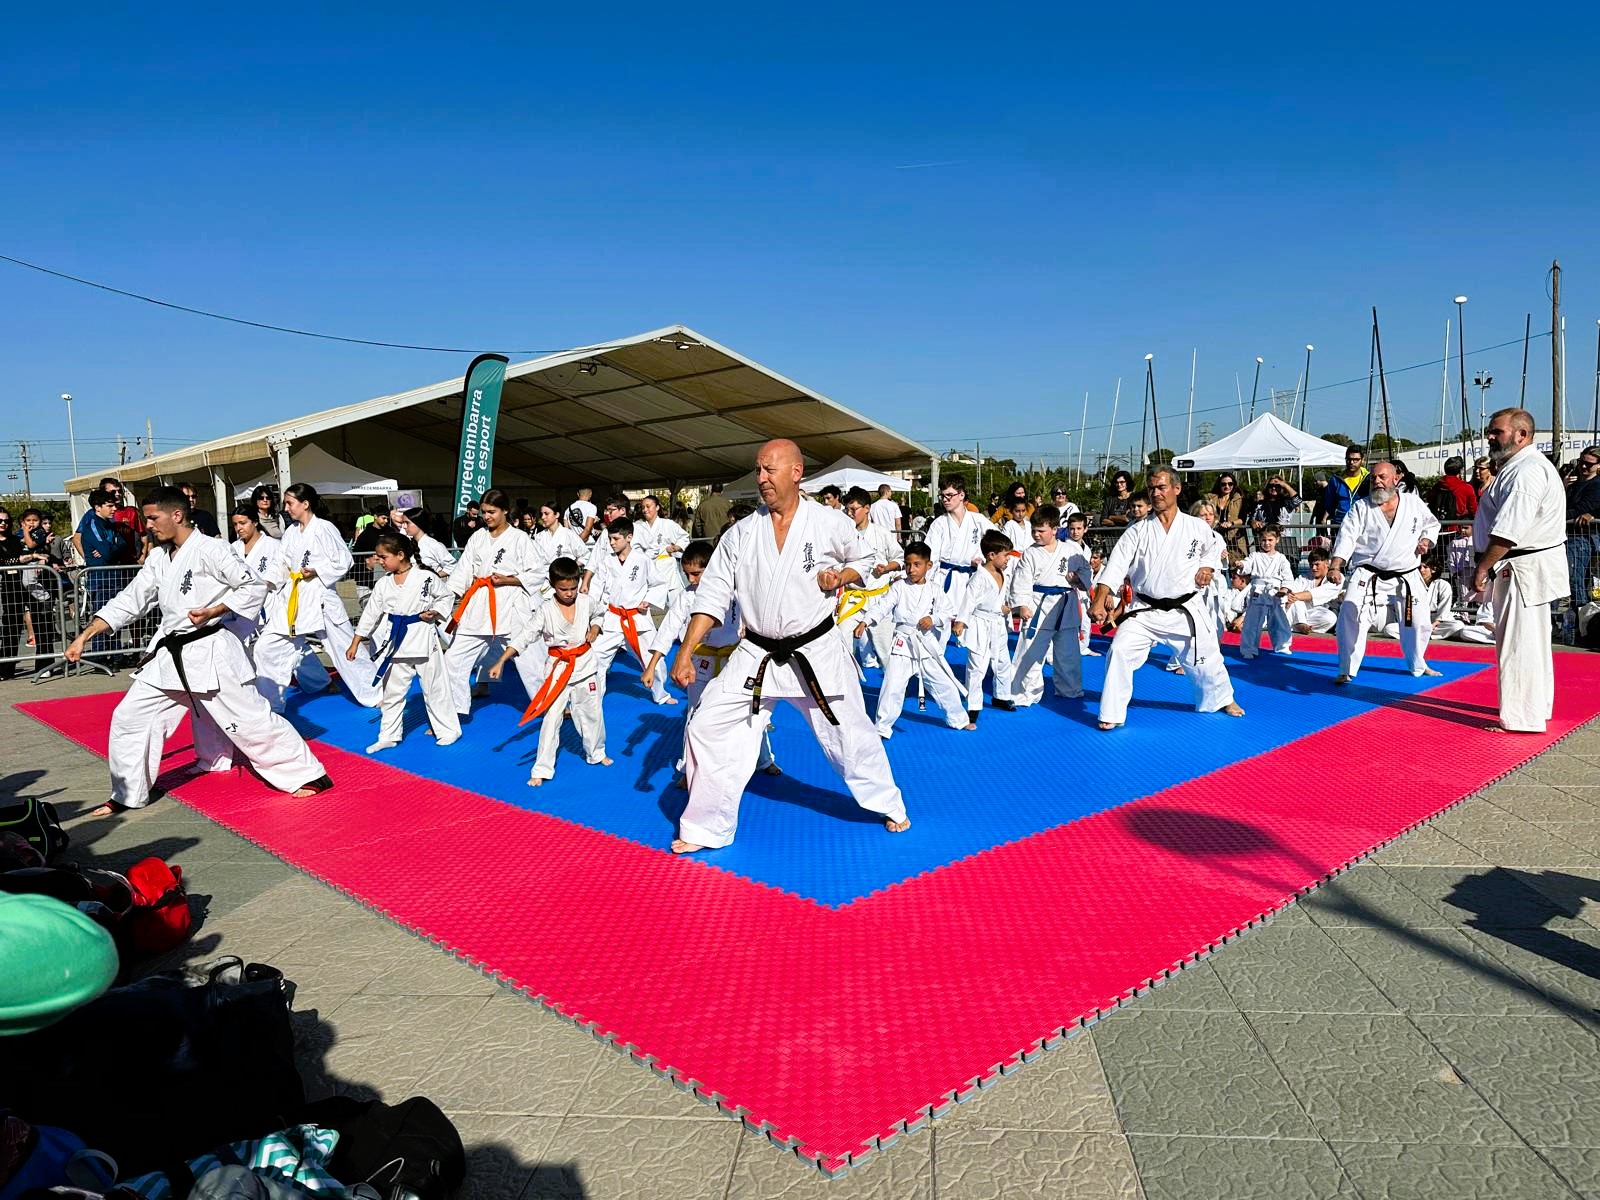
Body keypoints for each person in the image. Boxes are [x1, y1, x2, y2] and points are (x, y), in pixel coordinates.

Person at [669, 439, 911, 852]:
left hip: (814, 653)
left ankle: (888, 802)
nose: (761, 478)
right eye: (759, 470)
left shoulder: (828, 522)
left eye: (770, 470)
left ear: (796, 472)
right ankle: (707, 828)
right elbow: (711, 595)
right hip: (757, 653)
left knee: (849, 736)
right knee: (707, 726)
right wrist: (687, 650)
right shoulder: (741, 534)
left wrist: (842, 576)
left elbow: (867, 559)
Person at [63, 486, 331, 815]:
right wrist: (87, 634)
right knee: (130, 717)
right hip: (169, 652)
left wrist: (215, 610)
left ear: (177, 515)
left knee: (248, 721)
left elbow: (252, 584)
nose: (148, 525)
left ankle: (308, 774)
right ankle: (127, 793)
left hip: (211, 649)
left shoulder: (211, 549)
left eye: (153, 518)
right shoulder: (159, 557)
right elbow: (132, 598)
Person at [1088, 467, 1245, 730]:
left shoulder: (1196, 526)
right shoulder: (1137, 531)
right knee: (1119, 650)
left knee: (1207, 657)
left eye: (1161, 487)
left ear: (1176, 489)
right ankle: (1112, 712)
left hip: (1185, 608)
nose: (1156, 493)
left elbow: (1213, 547)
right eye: (1152, 488)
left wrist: (1207, 567)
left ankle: (1222, 698)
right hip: (1145, 610)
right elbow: (1115, 567)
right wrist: (1100, 598)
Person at [643, 541, 778, 786]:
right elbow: (669, 628)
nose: (691, 579)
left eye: (696, 573)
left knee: (750, 711)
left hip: (735, 659)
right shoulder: (687, 596)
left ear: (712, 568)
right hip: (700, 661)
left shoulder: (736, 592)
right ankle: (687, 769)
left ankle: (764, 760)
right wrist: (652, 665)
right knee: (694, 715)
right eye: (687, 575)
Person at [1471, 408, 1570, 733]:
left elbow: (1509, 529)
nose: (1489, 437)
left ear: (1521, 434)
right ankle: (1536, 707)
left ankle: (1520, 718)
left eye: (1496, 431)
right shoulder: (1520, 467)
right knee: (1532, 641)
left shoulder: (1525, 471)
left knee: (1517, 643)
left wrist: (1483, 566)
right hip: (1526, 563)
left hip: (1521, 564)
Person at [250, 483, 381, 711]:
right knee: (266, 646)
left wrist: (318, 570)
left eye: (290, 503)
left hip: (320, 598)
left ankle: (375, 692)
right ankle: (271, 703)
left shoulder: (324, 528)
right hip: (294, 598)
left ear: (305, 504)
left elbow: (344, 560)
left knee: (343, 647)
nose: (286, 508)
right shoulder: (291, 532)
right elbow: (280, 563)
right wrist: (263, 583)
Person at [489, 556, 610, 786]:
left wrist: (595, 628)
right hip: (558, 669)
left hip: (585, 665)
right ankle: (542, 768)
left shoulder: (586, 601)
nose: (570, 593)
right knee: (551, 718)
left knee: (592, 713)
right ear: (553, 585)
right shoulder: (545, 610)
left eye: (573, 588)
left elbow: (599, 614)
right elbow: (525, 636)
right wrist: (502, 661)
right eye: (564, 589)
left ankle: (596, 752)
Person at [1328, 460, 1442, 683]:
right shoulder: (1361, 507)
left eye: (1382, 477)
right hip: (1368, 573)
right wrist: (1335, 565)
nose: (1377, 482)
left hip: (1406, 574)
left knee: (1419, 622)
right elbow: (1347, 537)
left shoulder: (1413, 503)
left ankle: (1418, 663)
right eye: (1373, 478)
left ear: (1395, 479)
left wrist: (1426, 540)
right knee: (1349, 615)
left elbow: (1432, 524)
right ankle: (1346, 668)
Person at [349, 532, 458, 753]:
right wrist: (356, 641)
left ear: (400, 555)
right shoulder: (383, 584)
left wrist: (435, 612)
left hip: (422, 636)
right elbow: (371, 613)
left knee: (435, 688)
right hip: (396, 641)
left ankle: (448, 730)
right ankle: (388, 735)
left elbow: (446, 597)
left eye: (383, 556)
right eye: (377, 557)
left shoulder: (425, 578)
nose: (379, 560)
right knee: (392, 692)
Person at [439, 488, 545, 716]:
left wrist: (510, 579)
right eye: (484, 513)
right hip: (479, 604)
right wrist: (443, 603)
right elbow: (462, 571)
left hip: (512, 604)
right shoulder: (478, 537)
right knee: (453, 659)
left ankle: (549, 702)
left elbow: (538, 572)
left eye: (492, 512)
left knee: (530, 660)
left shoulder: (520, 538)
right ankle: (454, 710)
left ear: (505, 511)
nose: (486, 517)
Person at [869, 541, 971, 736]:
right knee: (892, 687)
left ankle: (958, 719)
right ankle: (882, 727)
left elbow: (948, 612)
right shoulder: (898, 587)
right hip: (903, 645)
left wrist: (932, 619)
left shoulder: (934, 589)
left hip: (925, 645)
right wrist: (867, 621)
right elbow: (882, 606)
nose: (911, 569)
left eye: (917, 565)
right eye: (908, 564)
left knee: (945, 685)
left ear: (928, 565)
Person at [1001, 504, 1091, 706]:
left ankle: (1070, 689)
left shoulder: (1071, 550)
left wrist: (1077, 579)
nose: (1036, 535)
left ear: (1055, 529)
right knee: (1031, 651)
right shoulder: (1030, 553)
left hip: (1065, 604)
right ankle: (1025, 693)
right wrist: (1022, 605)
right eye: (1034, 530)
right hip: (1038, 605)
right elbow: (1021, 580)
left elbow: (1086, 573)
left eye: (1041, 531)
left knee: (1068, 652)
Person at [589, 517, 674, 704]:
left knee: (653, 659)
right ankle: (593, 697)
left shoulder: (642, 560)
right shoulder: (606, 561)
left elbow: (659, 584)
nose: (611, 543)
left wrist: (648, 600)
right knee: (595, 657)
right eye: (609, 539)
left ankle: (661, 694)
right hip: (612, 618)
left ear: (629, 538)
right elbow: (596, 588)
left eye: (615, 539)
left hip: (637, 618)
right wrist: (590, 611)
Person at [952, 531, 1017, 722]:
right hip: (980, 624)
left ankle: (1002, 696)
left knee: (1003, 662)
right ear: (991, 555)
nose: (1008, 560)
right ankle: (973, 705)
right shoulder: (979, 577)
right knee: (977, 666)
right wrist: (961, 622)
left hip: (998, 623)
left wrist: (1005, 608)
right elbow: (969, 601)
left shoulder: (1002, 574)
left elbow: (1000, 599)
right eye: (1005, 555)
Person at [838, 487, 902, 670]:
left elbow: (899, 559)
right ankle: (847, 689)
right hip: (853, 597)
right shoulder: (842, 535)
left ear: (867, 508)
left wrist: (887, 568)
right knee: (842, 641)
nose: (850, 514)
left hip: (878, 598)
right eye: (847, 510)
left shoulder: (881, 533)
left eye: (854, 510)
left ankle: (894, 687)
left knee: (885, 650)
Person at [924, 476, 995, 598]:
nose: (945, 500)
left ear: (961, 495)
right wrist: (927, 585)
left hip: (973, 579)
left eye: (949, 495)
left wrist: (984, 559)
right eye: (943, 496)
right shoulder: (939, 524)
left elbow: (999, 544)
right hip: (945, 578)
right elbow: (930, 557)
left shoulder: (978, 520)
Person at [224, 505, 282, 651]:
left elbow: (281, 571)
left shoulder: (273, 545)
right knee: (241, 648)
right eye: (235, 524)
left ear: (255, 522)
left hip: (268, 605)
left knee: (276, 649)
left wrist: (266, 583)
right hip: (241, 606)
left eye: (243, 523)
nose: (239, 528)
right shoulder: (233, 547)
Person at [1237, 526, 1296, 658]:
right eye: (1263, 540)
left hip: (1275, 592)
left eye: (1270, 540)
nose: (1267, 543)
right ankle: (1249, 649)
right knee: (1252, 622)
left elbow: (1288, 577)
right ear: (1259, 540)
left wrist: (1284, 589)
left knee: (1279, 621)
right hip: (1258, 591)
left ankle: (1282, 645)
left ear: (1277, 540)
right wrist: (1241, 564)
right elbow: (1247, 564)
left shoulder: (1281, 558)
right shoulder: (1255, 556)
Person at [1564, 446, 1600, 616]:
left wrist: (1555, 517)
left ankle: (1581, 620)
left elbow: (1579, 509)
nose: (1583, 466)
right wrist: (1562, 487)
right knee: (1566, 580)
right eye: (1581, 462)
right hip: (1566, 537)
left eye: (1588, 464)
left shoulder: (1596, 485)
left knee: (1575, 580)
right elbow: (1556, 503)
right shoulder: (1572, 483)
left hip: (1582, 539)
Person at [531, 501, 587, 596]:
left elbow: (585, 555)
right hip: (545, 582)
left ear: (557, 514)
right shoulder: (539, 537)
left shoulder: (568, 534)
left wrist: (571, 568)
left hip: (566, 581)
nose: (543, 517)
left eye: (546, 514)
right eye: (541, 514)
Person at [581, 495, 632, 592]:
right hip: (603, 582)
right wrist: (585, 582)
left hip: (627, 584)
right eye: (607, 510)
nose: (608, 514)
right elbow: (594, 558)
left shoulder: (637, 530)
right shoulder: (605, 532)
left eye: (611, 511)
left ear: (622, 510)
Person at [1284, 547, 1341, 634]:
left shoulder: (1336, 577)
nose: (1313, 568)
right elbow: (1291, 594)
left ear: (1327, 563)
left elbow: (1319, 593)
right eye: (1311, 565)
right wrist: (1292, 597)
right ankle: (1300, 624)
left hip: (1316, 614)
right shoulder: (1303, 578)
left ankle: (1295, 625)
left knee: (1331, 618)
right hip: (1298, 611)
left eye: (1317, 564)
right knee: (1297, 602)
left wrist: (1294, 596)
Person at [1314, 445, 1370, 531]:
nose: (1351, 462)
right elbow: (1329, 504)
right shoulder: (1336, 479)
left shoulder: (1368, 479)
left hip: (1362, 524)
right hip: (1340, 525)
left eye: (1355, 460)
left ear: (1362, 460)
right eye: (1349, 459)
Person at [349, 506, 393, 607]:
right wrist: (366, 563)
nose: (386, 521)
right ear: (375, 517)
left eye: (387, 518)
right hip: (366, 578)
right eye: (383, 518)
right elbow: (357, 554)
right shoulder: (365, 535)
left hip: (386, 575)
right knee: (369, 606)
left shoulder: (390, 532)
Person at [393, 506, 453, 578]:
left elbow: (452, 566)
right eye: (403, 523)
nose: (404, 526)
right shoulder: (407, 543)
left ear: (418, 523)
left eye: (407, 523)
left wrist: (434, 576)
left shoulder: (434, 545)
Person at [1427, 456, 1479, 524]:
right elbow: (1474, 510)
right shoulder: (1466, 488)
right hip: (1459, 527)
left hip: (1438, 525)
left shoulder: (1437, 486)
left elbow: (1429, 500)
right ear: (1461, 470)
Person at [1207, 473, 1249, 558]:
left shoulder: (1240, 499)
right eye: (1223, 484)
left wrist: (1231, 523)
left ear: (1234, 484)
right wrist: (1216, 523)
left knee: (1236, 566)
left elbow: (1242, 519)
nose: (1227, 486)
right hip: (1215, 537)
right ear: (1219, 484)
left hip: (1234, 539)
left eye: (1230, 484)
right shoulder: (1210, 499)